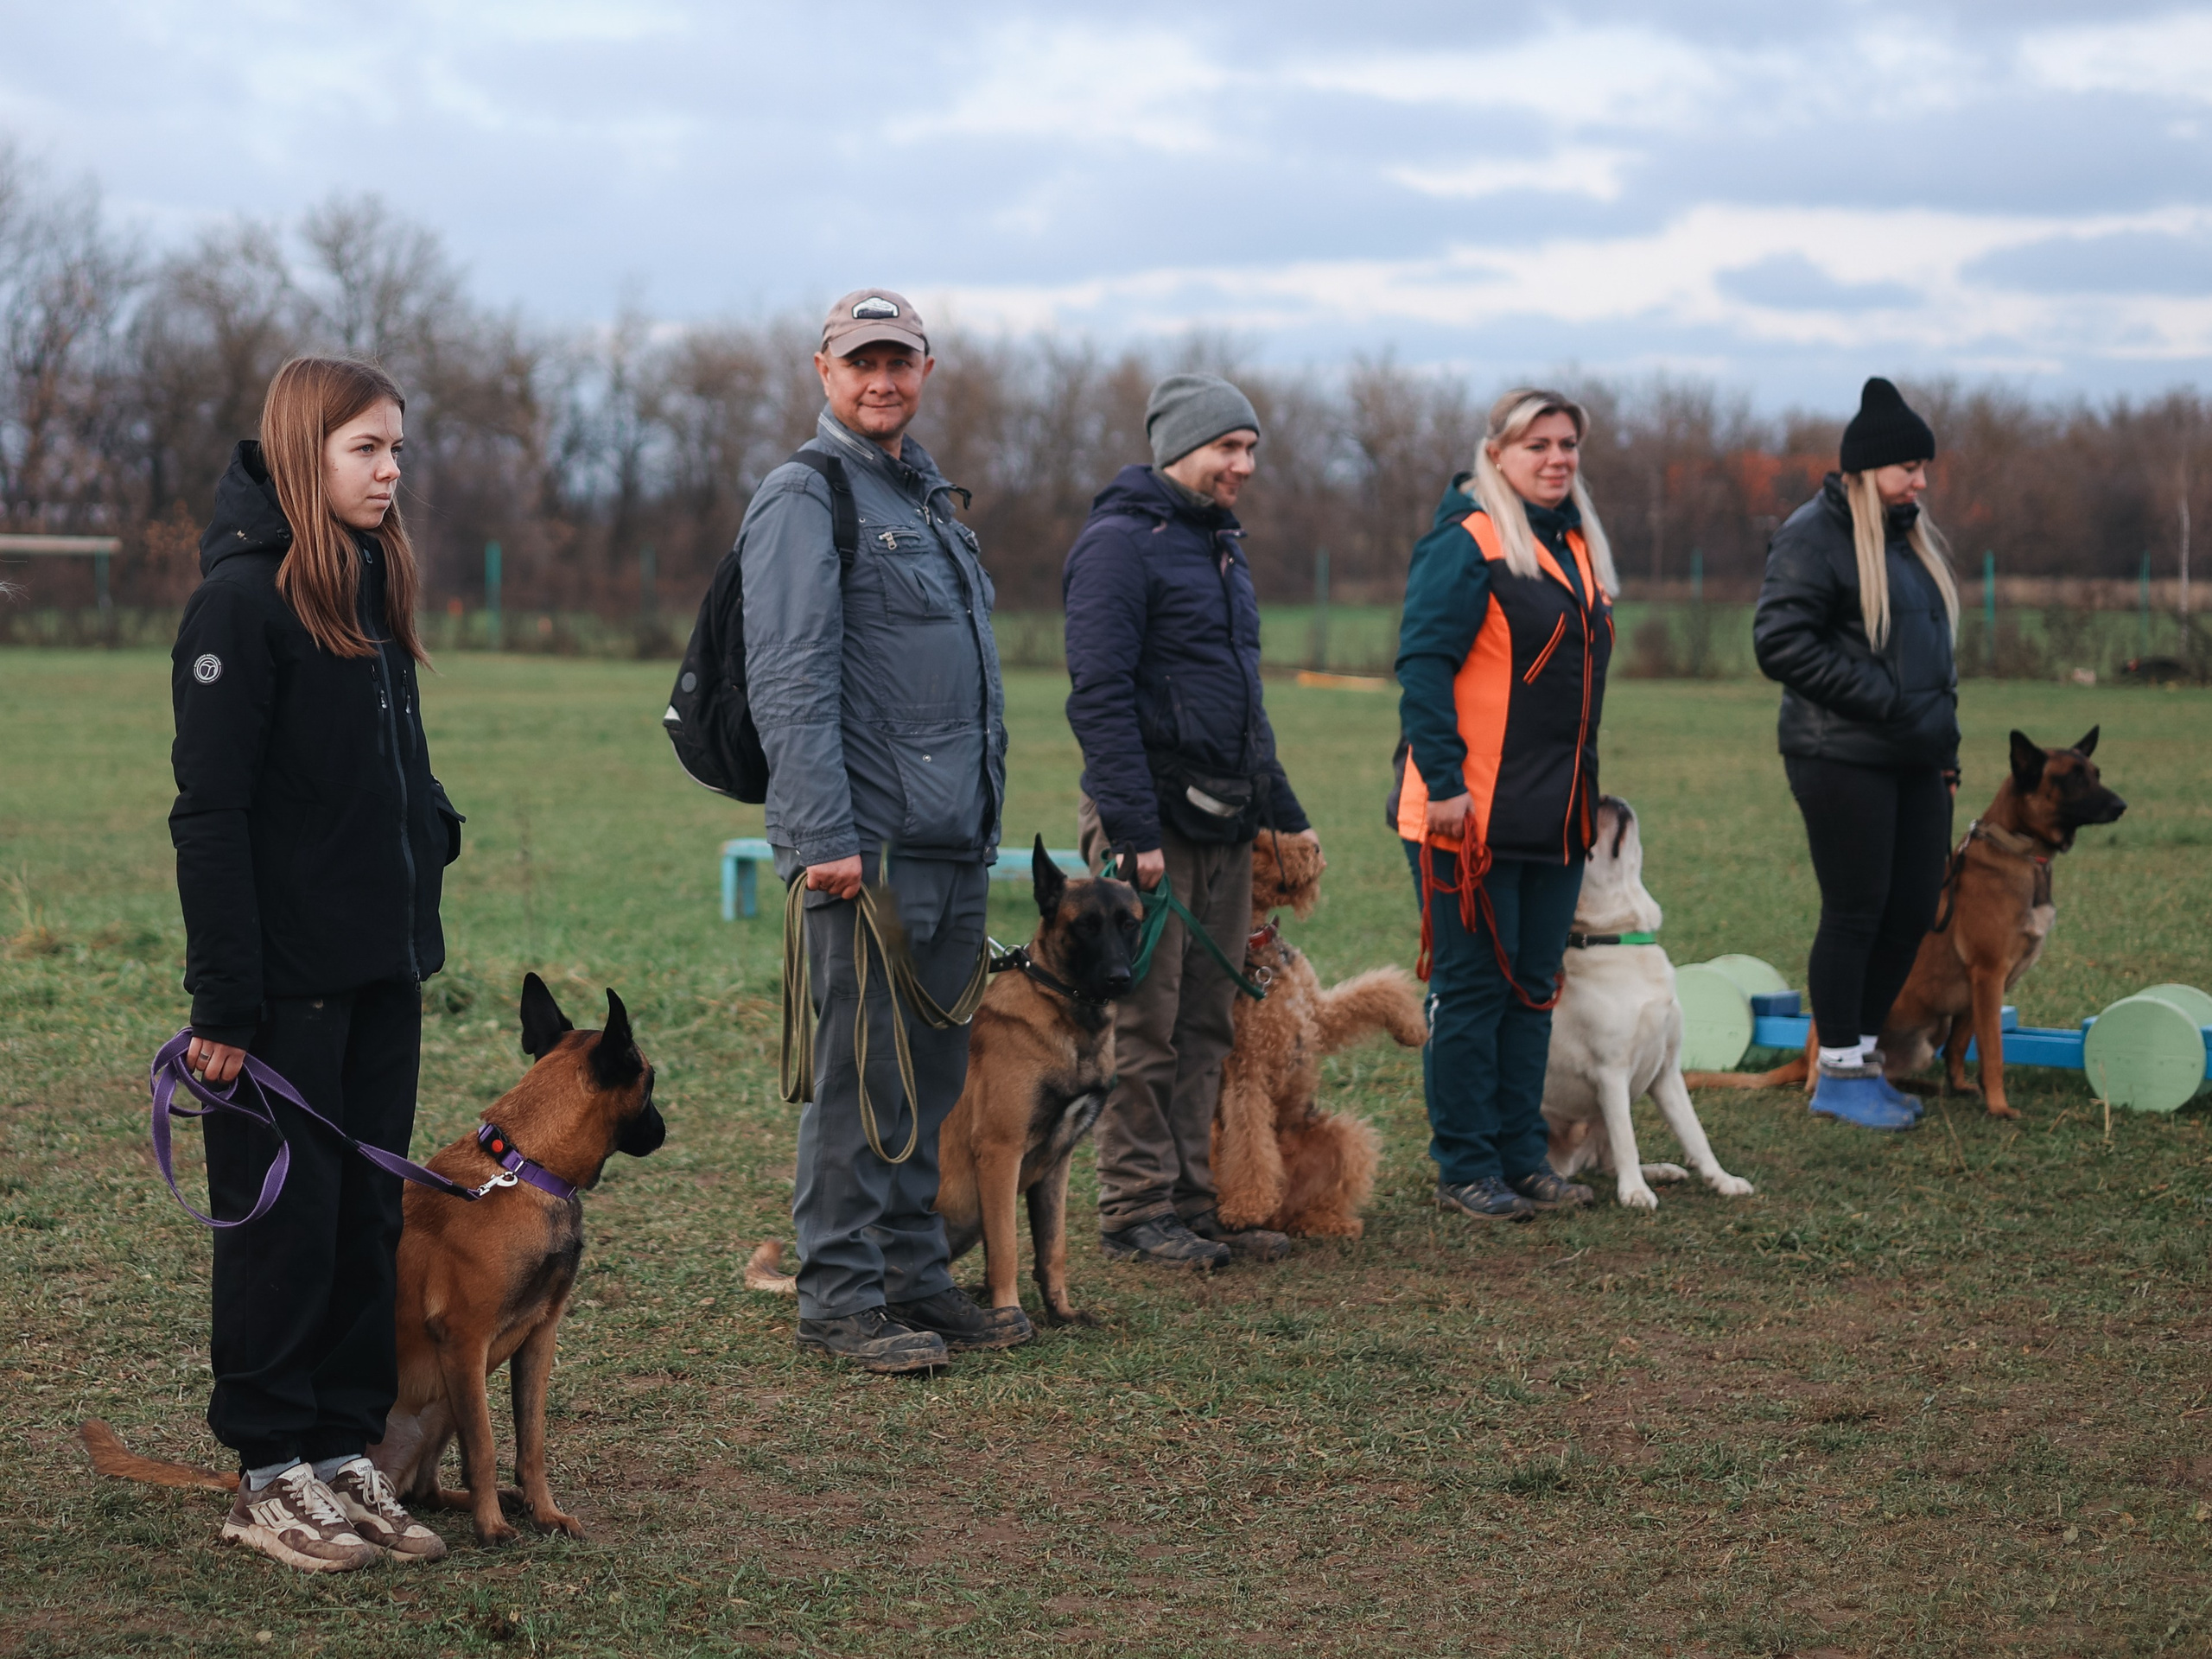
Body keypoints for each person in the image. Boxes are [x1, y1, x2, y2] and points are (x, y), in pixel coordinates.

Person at [170, 356, 461, 1571]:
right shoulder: (238, 607)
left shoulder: (369, 583)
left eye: (396, 449)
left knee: (360, 1225)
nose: (390, 472)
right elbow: (212, 815)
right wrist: (227, 1000)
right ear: (304, 454)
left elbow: (389, 776)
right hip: (280, 996)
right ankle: (269, 1471)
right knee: (282, 1234)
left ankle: (345, 1452)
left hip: (379, 973)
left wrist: (429, 842)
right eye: (365, 450)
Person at [740, 289, 1020, 1372]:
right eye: (860, 362)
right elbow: (790, 675)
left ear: (926, 370)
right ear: (823, 370)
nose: (880, 380)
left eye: (898, 360)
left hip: (951, 842)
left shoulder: (930, 499)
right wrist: (821, 835)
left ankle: (914, 1277)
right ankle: (840, 1298)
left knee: (931, 1080)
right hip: (866, 849)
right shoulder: (805, 496)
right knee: (860, 1080)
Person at [1063, 372, 1319, 1269]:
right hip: (1149, 828)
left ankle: (1191, 1203)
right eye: (1229, 448)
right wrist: (1131, 834)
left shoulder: (1221, 549)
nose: (1243, 465)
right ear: (1179, 446)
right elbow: (1096, 698)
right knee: (1146, 1023)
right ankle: (1134, 1210)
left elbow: (1243, 704)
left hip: (1224, 824)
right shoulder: (1117, 547)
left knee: (1209, 1023)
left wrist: (1283, 815)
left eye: (1251, 449)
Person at [1392, 388, 1619, 1222]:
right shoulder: (1467, 543)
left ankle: (1522, 1156)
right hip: (1468, 818)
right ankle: (1465, 1165)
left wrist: (1584, 800)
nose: (1557, 458)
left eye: (1567, 444)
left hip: (1554, 821)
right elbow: (1423, 668)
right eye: (1537, 445)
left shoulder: (1575, 547)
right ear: (1497, 453)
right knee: (1472, 987)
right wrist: (1446, 787)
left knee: (1533, 986)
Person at [1753, 377, 1959, 1131]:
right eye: (1908, 468)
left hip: (1915, 762)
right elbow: (1779, 642)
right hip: (1839, 757)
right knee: (1856, 911)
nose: (1921, 480)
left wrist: (1945, 750)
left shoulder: (1908, 538)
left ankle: (1863, 1060)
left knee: (1910, 913)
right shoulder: (1812, 534)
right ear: (1867, 468)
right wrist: (1884, 703)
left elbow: (1934, 662)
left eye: (1924, 467)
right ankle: (1838, 1073)